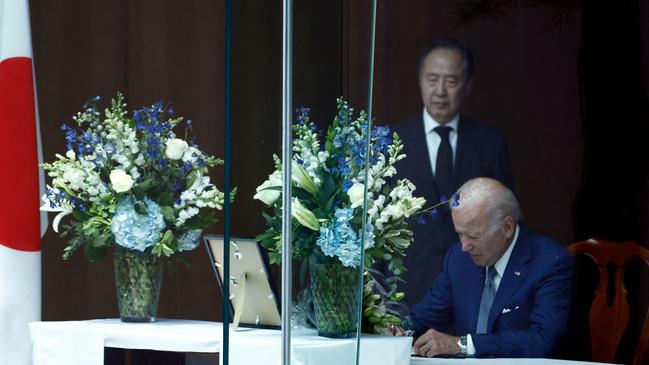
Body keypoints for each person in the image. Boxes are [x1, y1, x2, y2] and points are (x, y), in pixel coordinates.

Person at [392, 37, 514, 306]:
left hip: (474, 291)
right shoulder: (389, 142)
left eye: (451, 81)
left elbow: (507, 222)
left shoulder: (490, 143)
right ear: (420, 80)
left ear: (468, 85)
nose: (440, 91)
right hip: (405, 290)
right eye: (433, 79)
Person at [410, 177, 573, 358]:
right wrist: (396, 330)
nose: (464, 246)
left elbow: (543, 340)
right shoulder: (458, 258)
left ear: (507, 227)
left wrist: (462, 345)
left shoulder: (548, 261)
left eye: (474, 236)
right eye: (460, 234)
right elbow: (422, 320)